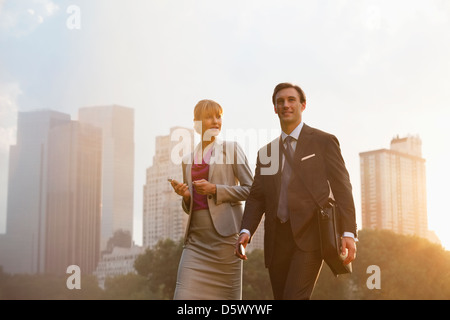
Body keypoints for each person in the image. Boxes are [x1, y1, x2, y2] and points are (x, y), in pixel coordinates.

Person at [235, 82, 358, 300]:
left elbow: (342, 187)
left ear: (303, 105)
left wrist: (348, 232)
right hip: (276, 241)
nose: (286, 105)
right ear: (274, 108)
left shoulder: (323, 141)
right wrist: (246, 230)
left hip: (311, 236)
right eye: (280, 101)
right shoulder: (266, 153)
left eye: (291, 100)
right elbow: (257, 197)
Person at [171, 99, 254, 300]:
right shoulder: (187, 160)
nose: (215, 121)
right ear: (197, 123)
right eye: (209, 117)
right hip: (195, 244)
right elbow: (189, 207)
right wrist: (187, 196)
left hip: (226, 242)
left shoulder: (231, 149)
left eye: (218, 116)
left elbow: (252, 190)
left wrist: (215, 189)